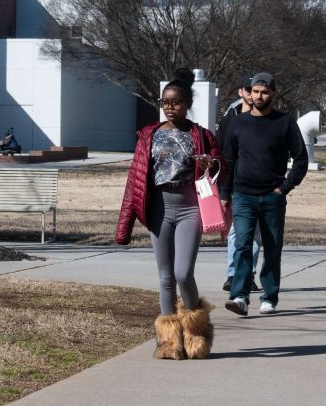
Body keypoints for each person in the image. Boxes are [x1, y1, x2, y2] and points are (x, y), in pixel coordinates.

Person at [116, 68, 223, 359]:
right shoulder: (148, 135)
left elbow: (221, 168)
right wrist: (124, 225)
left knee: (183, 273)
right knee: (165, 277)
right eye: (165, 102)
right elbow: (136, 179)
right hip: (159, 208)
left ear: (187, 103)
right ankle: (169, 342)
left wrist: (210, 165)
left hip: (190, 207)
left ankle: (196, 333)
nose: (169, 107)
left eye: (176, 102)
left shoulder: (201, 135)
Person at [220, 71, 309, 316]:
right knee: (242, 245)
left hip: (272, 196)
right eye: (255, 91)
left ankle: (269, 297)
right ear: (249, 93)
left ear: (273, 94)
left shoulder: (285, 122)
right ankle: (239, 296)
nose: (259, 96)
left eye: (265, 92)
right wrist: (225, 193)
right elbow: (228, 160)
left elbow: (301, 159)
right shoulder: (237, 122)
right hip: (243, 195)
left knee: (272, 248)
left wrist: (284, 188)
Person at [216, 75, 260, 293]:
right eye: (248, 89)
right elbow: (222, 155)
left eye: (256, 90)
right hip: (235, 185)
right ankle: (233, 275)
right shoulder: (229, 121)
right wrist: (224, 190)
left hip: (260, 185)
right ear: (241, 92)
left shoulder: (267, 119)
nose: (252, 94)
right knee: (236, 231)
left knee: (255, 234)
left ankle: (248, 275)